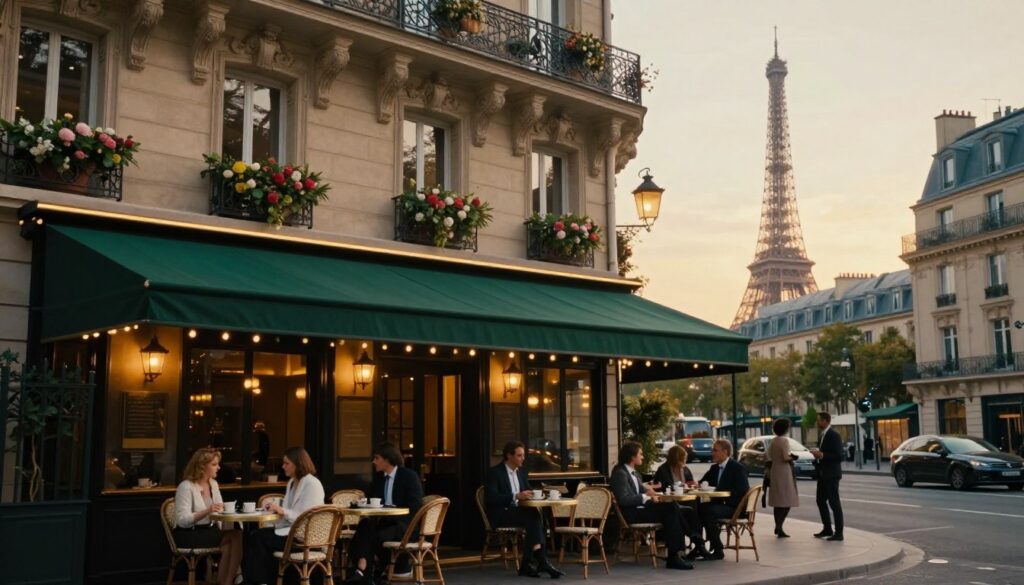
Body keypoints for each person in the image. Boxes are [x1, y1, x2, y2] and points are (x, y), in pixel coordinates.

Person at [609, 441, 702, 570]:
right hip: (632, 514)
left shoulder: (634, 473)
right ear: (632, 457)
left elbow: (642, 491)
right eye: (640, 454)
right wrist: (646, 496)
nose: (642, 457)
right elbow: (624, 500)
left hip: (641, 510)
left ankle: (674, 556)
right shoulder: (620, 473)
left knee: (672, 509)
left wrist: (650, 494)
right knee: (671, 508)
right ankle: (688, 539)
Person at [243, 446, 325, 584]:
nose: (283, 466)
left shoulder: (312, 484)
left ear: (298, 464)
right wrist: (277, 510)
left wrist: (282, 511)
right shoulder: (292, 482)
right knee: (255, 535)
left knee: (258, 537)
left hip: (305, 536)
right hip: (291, 531)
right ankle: (259, 580)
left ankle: (260, 581)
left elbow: (305, 516)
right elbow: (289, 512)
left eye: (287, 463)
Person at [484, 441, 565, 578]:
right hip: (501, 513)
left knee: (535, 515)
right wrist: (515, 496)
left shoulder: (521, 472)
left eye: (523, 455)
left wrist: (535, 494)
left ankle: (530, 563)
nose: (523, 458)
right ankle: (539, 561)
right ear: (509, 456)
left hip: (518, 512)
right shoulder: (495, 473)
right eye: (519, 455)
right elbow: (491, 498)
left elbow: (527, 490)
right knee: (533, 516)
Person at [347, 442, 424, 584]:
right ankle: (363, 568)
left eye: (377, 458)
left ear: (387, 459)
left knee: (373, 536)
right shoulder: (379, 478)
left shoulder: (409, 476)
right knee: (364, 525)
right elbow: (370, 498)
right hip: (384, 523)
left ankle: (367, 570)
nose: (373, 462)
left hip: (404, 525)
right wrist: (363, 500)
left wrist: (393, 512)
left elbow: (415, 506)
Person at [173, 448, 242, 585]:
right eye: (214, 464)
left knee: (234, 539)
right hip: (188, 533)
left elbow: (218, 507)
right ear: (202, 466)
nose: (219, 467)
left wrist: (224, 511)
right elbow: (182, 521)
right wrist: (207, 511)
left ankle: (225, 581)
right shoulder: (186, 486)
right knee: (235, 536)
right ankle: (227, 582)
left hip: (208, 530)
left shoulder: (213, 484)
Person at [693, 439, 750, 561]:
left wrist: (723, 496)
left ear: (725, 452)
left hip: (734, 507)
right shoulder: (714, 468)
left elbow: (742, 491)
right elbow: (702, 483)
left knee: (707, 511)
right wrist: (695, 484)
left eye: (715, 450)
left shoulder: (737, 468)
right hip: (719, 505)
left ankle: (717, 549)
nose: (712, 453)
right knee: (696, 508)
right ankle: (699, 546)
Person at [810, 412, 844, 541]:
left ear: (825, 421)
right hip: (823, 474)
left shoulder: (834, 435)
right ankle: (827, 528)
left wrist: (822, 455)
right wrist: (817, 457)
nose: (817, 423)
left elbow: (839, 456)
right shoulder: (822, 435)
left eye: (819, 420)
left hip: (832, 475)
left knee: (834, 503)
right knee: (820, 501)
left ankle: (839, 533)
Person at [767, 418, 799, 538]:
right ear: (785, 429)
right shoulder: (784, 441)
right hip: (784, 472)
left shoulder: (773, 441)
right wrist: (793, 458)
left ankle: (778, 526)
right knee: (787, 500)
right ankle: (779, 526)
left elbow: (769, 455)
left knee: (778, 501)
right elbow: (786, 457)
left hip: (775, 471)